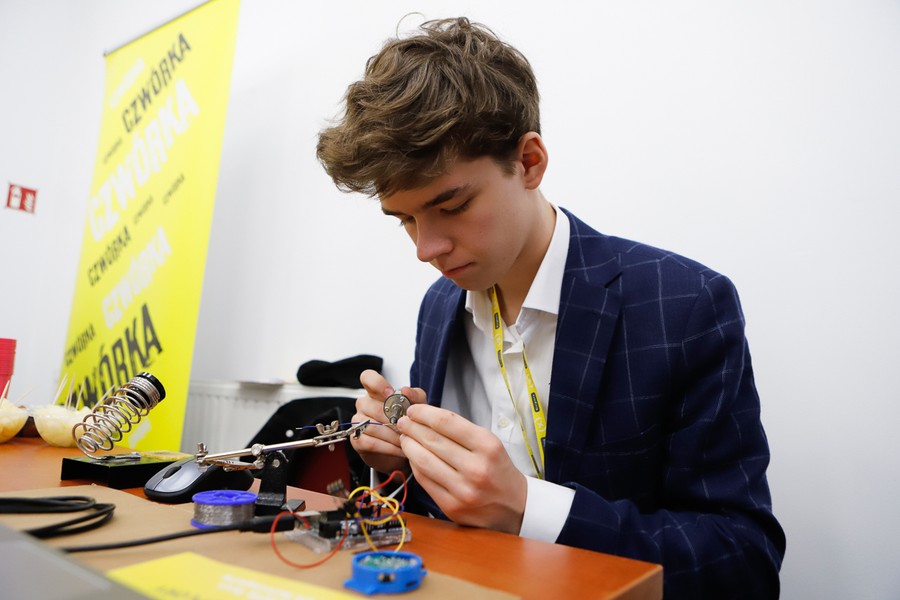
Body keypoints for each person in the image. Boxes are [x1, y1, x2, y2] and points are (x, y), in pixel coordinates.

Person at [316, 17, 785, 598]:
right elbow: (443, 519)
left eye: (451, 206)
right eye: (405, 220)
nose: (425, 249)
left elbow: (743, 560)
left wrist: (526, 507)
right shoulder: (440, 307)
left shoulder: (683, 305)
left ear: (530, 161)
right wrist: (401, 462)